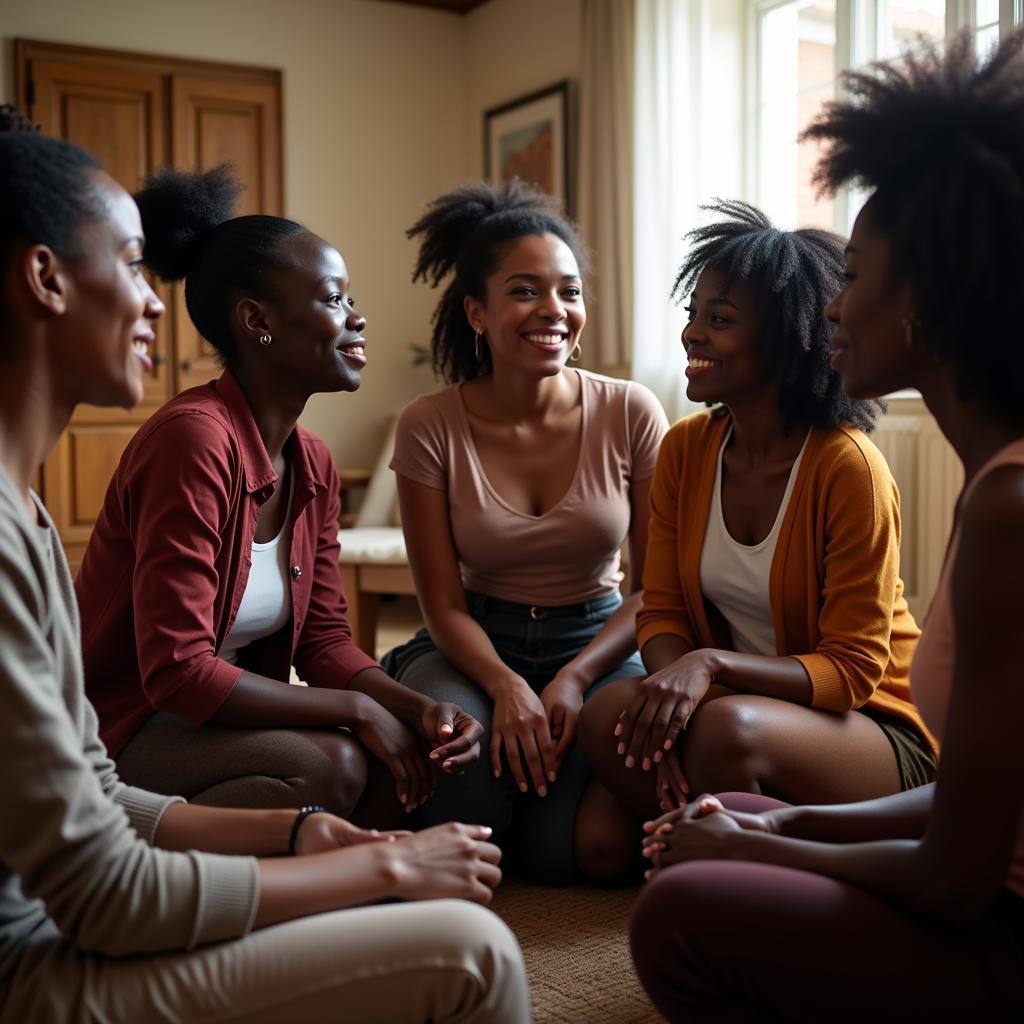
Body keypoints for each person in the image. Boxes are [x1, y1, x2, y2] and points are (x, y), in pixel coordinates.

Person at [0, 111, 529, 1023]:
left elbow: (321, 637)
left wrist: (390, 721)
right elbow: (166, 685)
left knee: (353, 764)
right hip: (145, 736)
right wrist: (377, 861)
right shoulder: (189, 442)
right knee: (353, 786)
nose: (156, 301)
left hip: (118, 803)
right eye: (129, 266)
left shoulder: (41, 522)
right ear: (45, 277)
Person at [631, 30, 1024, 1020]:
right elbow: (981, 810)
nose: (831, 307)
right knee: (746, 808)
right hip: (976, 865)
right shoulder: (996, 483)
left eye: (851, 277)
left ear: (922, 304)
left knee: (676, 910)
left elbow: (958, 875)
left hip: (1004, 929)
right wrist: (780, 825)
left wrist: (756, 848)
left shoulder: (1008, 505)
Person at [74, 164, 482, 826]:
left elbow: (322, 641)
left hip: (208, 723)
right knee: (333, 765)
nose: (357, 317)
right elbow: (177, 672)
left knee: (397, 761)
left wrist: (415, 707)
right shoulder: (192, 442)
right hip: (125, 728)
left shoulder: (311, 462)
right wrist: (356, 709)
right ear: (257, 320)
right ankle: (125, 860)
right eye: (333, 300)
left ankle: (298, 858)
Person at [579, 200, 936, 867]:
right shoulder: (686, 449)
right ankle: (710, 822)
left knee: (723, 733)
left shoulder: (847, 468)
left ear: (786, 337)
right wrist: (677, 700)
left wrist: (709, 668)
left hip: (872, 727)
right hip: (732, 708)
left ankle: (742, 861)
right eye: (692, 314)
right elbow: (661, 611)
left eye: (719, 320)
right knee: (604, 745)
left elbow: (855, 671)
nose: (691, 334)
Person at [381, 181, 669, 884]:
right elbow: (442, 604)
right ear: (476, 312)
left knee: (558, 854)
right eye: (525, 291)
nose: (554, 312)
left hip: (600, 644)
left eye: (568, 292)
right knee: (472, 795)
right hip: (475, 643)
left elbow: (655, 587)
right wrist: (508, 686)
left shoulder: (631, 411)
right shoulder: (429, 424)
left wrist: (574, 675)